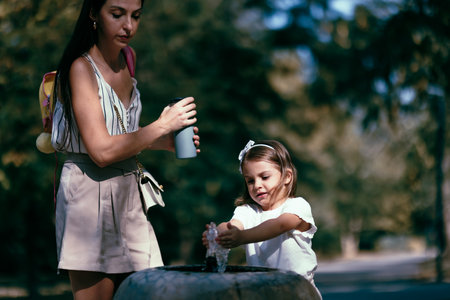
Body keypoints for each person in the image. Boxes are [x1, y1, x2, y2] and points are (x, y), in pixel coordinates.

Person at [50, 0, 200, 299]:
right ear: (93, 13)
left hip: (128, 194)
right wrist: (162, 125)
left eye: (136, 16)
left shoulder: (128, 59)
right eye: (117, 14)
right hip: (88, 196)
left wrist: (164, 142)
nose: (128, 25)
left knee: (146, 292)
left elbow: (121, 135)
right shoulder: (80, 68)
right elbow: (101, 151)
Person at [202, 140, 320, 296]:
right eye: (250, 180)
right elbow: (234, 225)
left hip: (297, 292)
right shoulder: (248, 211)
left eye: (264, 177)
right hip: (264, 293)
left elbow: (280, 225)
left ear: (287, 177)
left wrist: (242, 237)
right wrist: (218, 234)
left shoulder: (297, 206)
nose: (257, 185)